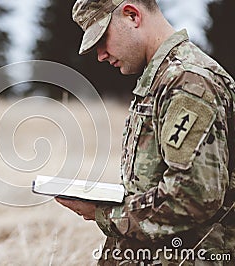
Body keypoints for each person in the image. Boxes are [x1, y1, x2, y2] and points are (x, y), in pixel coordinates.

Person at [55, 0, 235, 265]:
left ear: (132, 15)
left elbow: (193, 196)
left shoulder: (188, 81)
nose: (100, 54)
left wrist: (104, 213)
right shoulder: (162, 79)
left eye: (103, 38)